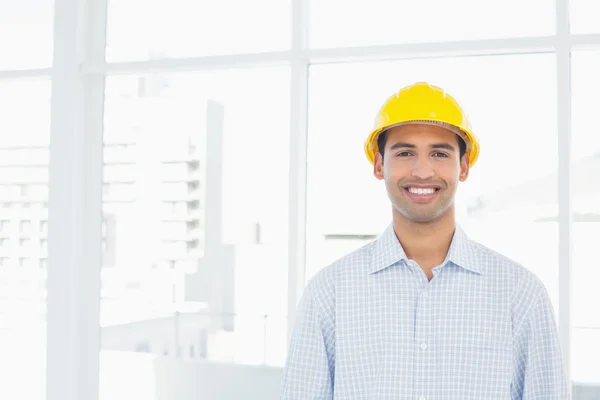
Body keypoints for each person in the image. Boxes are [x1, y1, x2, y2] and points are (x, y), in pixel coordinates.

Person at [279, 82, 569, 399]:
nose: (421, 171)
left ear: (464, 165)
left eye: (439, 153)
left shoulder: (519, 293)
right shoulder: (329, 292)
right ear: (379, 165)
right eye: (405, 153)